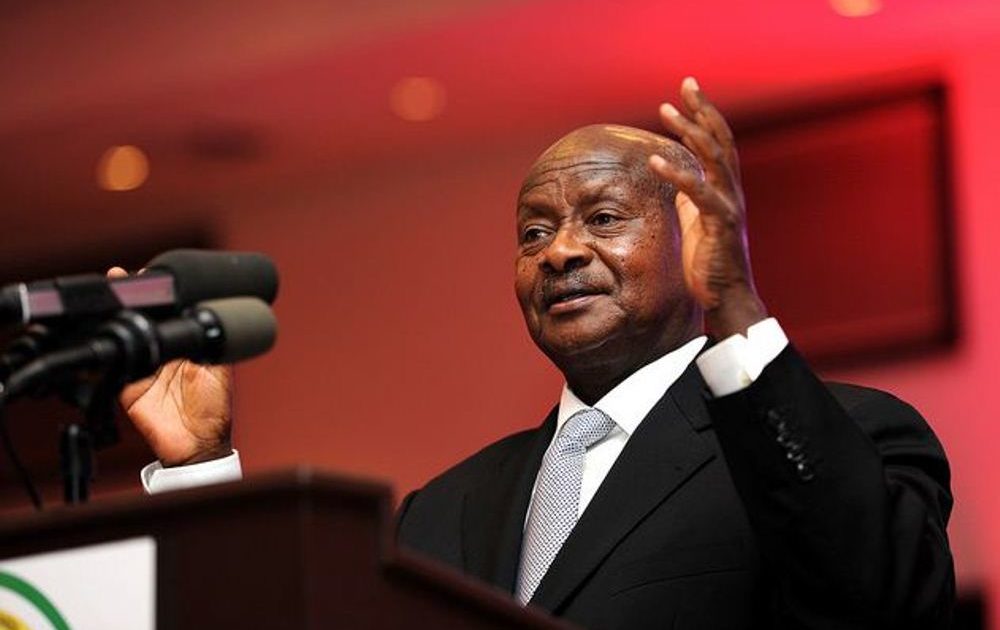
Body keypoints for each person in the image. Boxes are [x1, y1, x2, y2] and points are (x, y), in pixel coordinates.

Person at [122, 78, 954, 628]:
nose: (558, 252)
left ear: (691, 237)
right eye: (533, 233)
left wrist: (737, 310)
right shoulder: (442, 512)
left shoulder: (847, 436)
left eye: (603, 218)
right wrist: (200, 469)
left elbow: (882, 605)